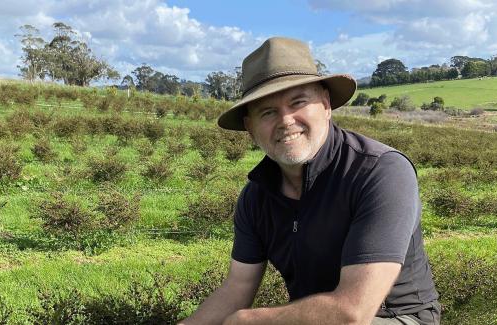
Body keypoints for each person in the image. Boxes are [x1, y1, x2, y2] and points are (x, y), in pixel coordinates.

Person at [180, 37, 440, 325]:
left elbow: (353, 313)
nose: (286, 120)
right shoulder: (256, 197)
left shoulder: (380, 171)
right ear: (250, 128)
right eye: (267, 112)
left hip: (395, 317)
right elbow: (236, 289)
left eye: (298, 102)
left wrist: (245, 321)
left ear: (326, 105)